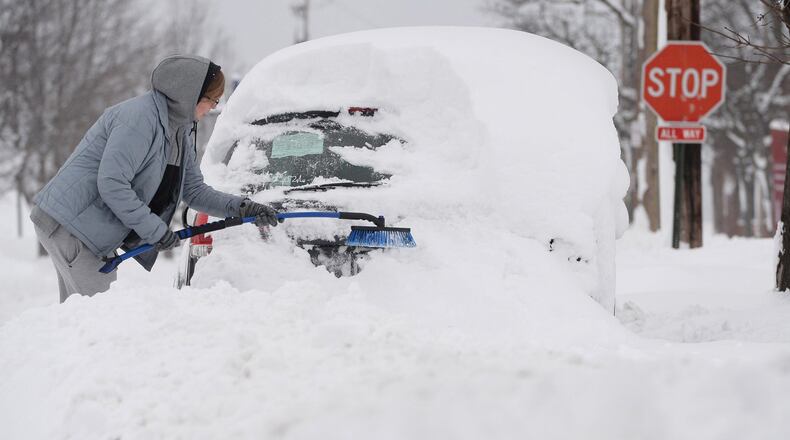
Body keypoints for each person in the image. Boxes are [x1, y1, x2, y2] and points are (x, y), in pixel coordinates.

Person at [29, 55, 278, 303]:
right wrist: (155, 231)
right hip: (71, 225)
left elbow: (194, 191)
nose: (213, 107)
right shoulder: (140, 119)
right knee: (95, 316)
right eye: (211, 99)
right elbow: (113, 184)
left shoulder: (178, 131)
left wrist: (243, 207)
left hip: (79, 227)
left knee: (79, 315)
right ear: (190, 94)